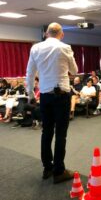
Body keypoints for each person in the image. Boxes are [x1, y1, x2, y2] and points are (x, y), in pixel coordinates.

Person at [26, 22, 78, 183]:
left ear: (46, 33)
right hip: (61, 95)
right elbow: (75, 71)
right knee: (61, 134)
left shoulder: (35, 48)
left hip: (45, 96)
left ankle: (47, 168)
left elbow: (29, 73)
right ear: (61, 34)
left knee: (46, 132)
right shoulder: (65, 47)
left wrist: (30, 94)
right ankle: (59, 171)